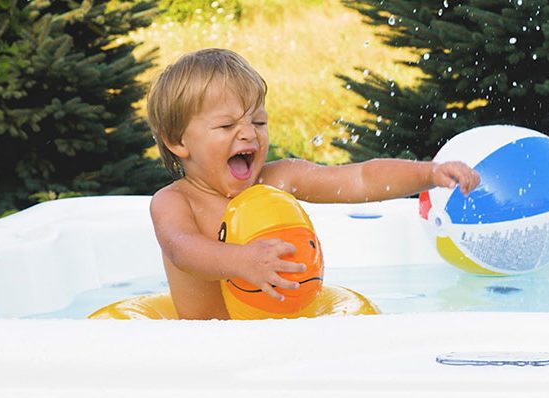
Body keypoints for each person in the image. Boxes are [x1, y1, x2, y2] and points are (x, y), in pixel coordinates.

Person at [146, 48, 481, 319]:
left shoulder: (279, 180)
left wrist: (428, 173)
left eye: (259, 121)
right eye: (226, 126)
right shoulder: (175, 201)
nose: (249, 133)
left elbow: (358, 178)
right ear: (178, 142)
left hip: (284, 335)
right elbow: (182, 249)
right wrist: (240, 261)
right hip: (206, 347)